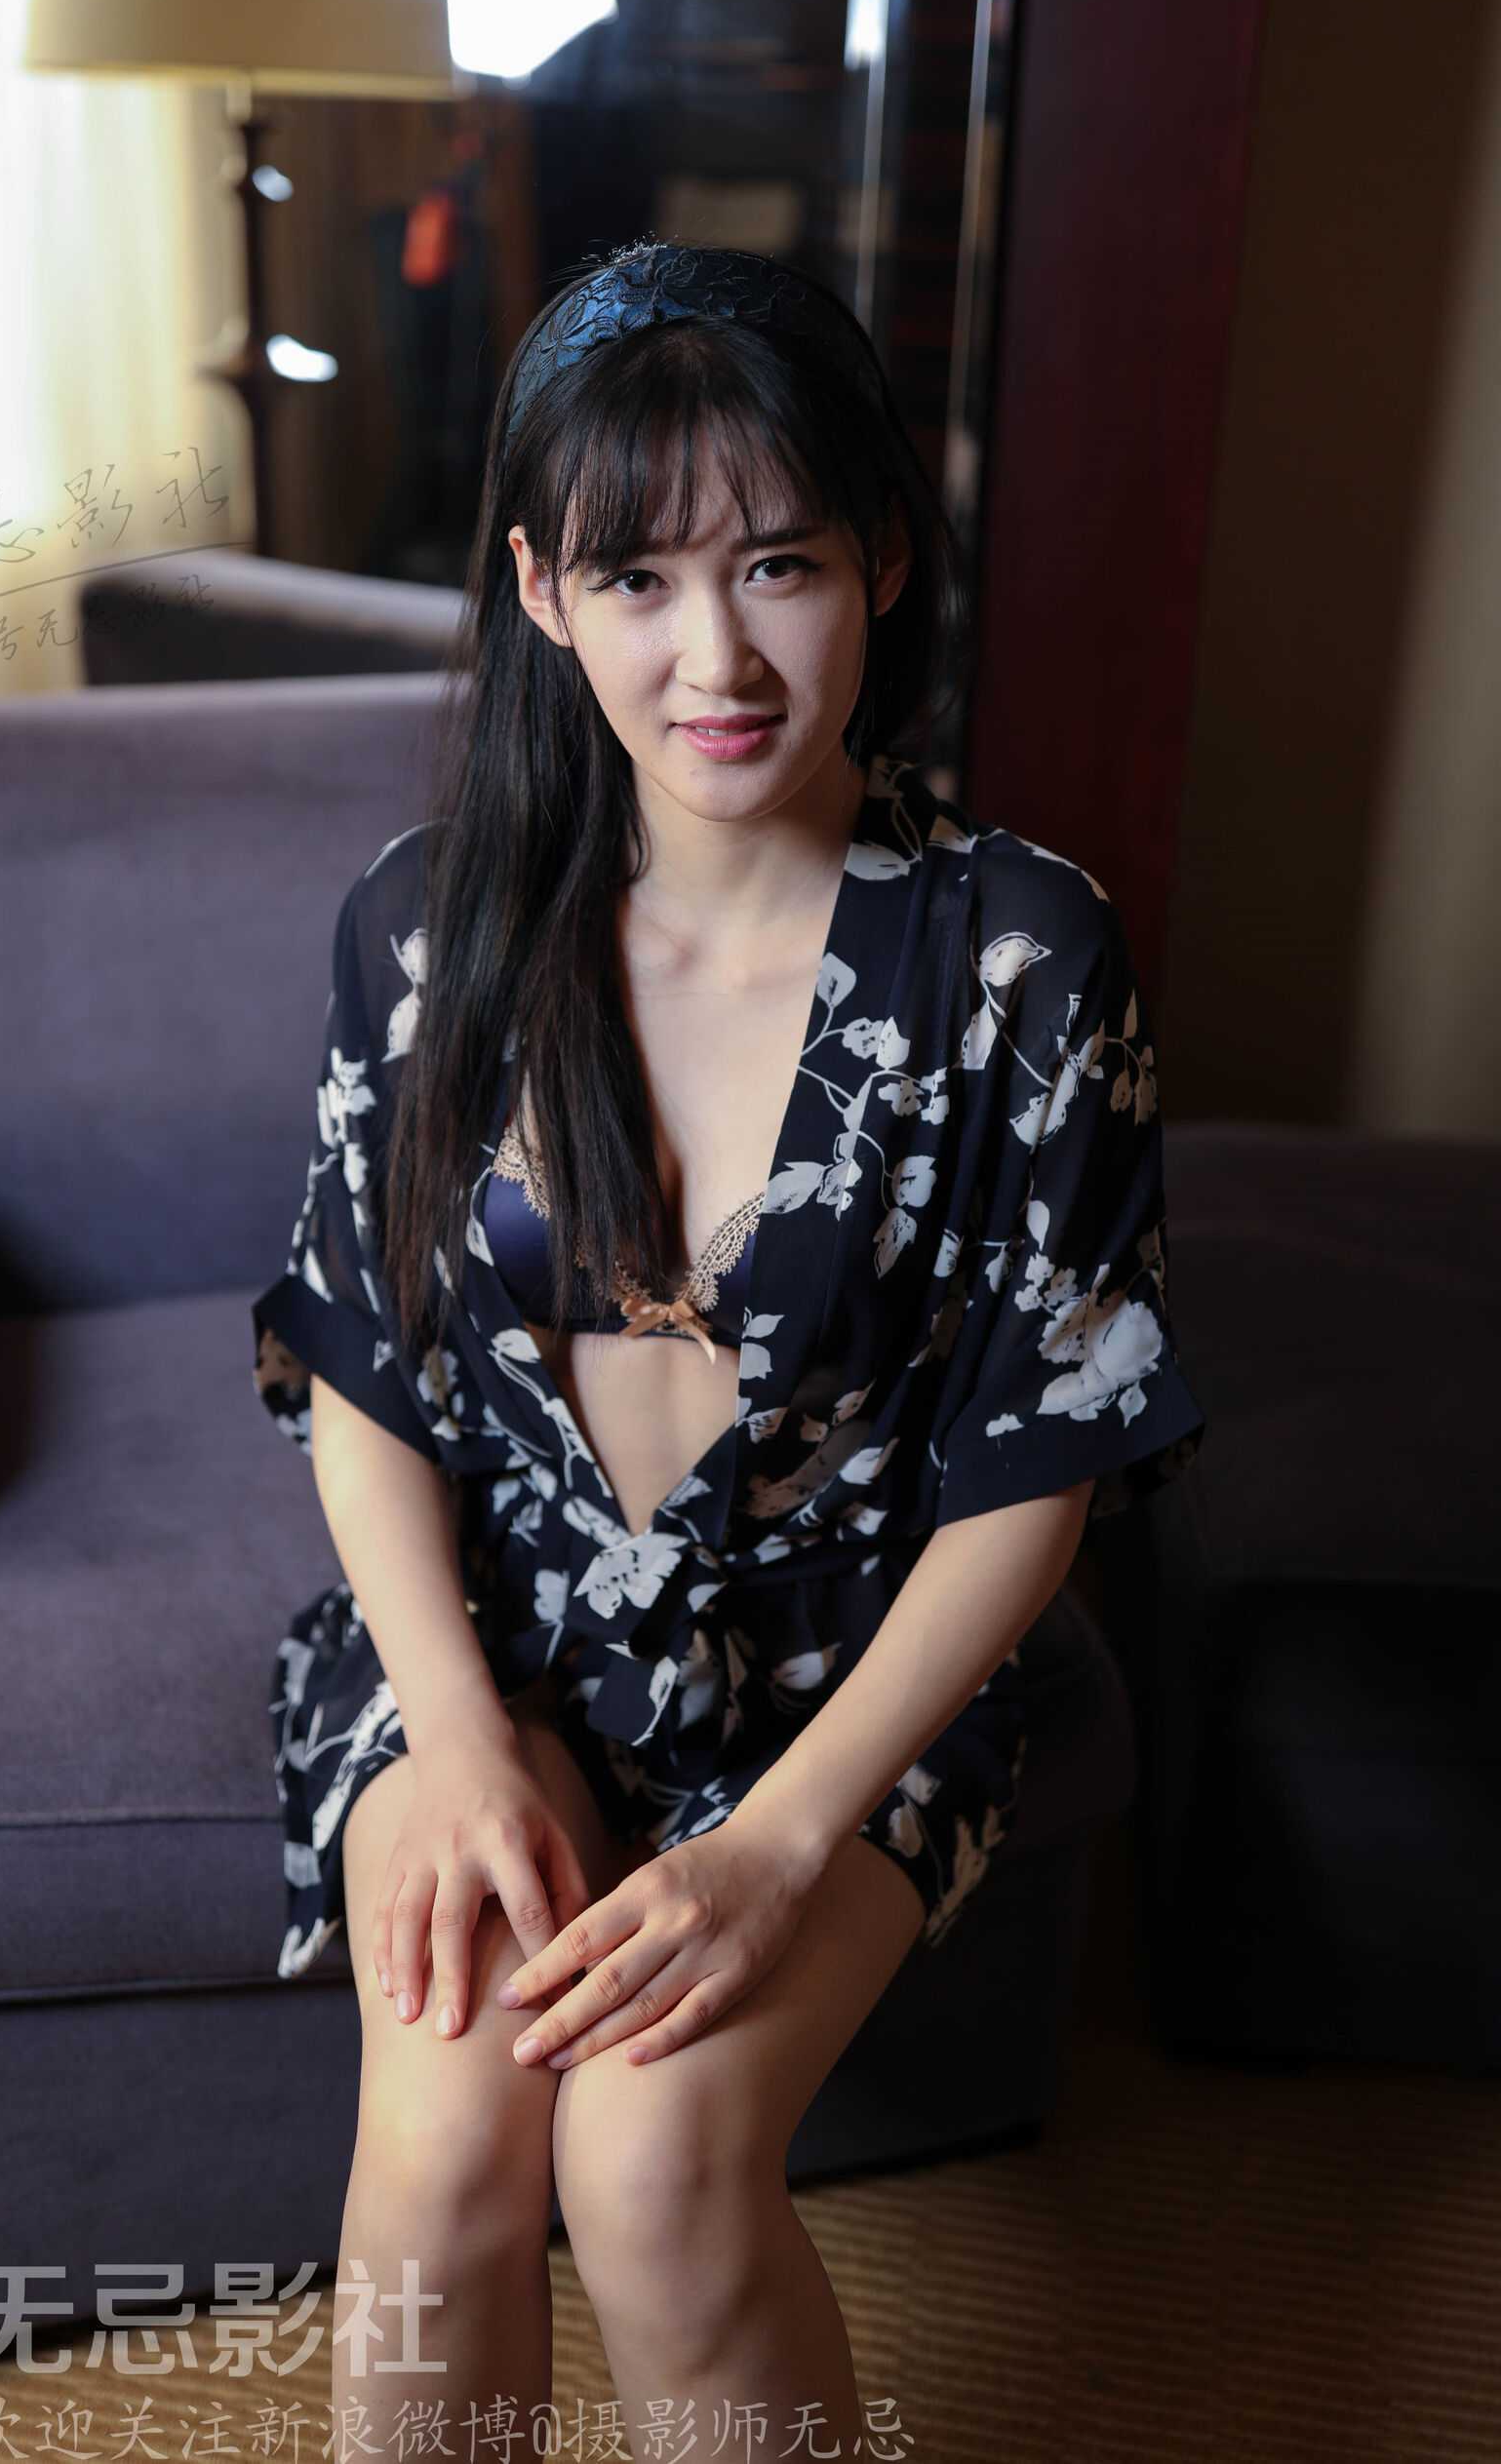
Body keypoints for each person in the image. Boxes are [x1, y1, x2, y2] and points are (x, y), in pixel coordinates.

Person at [251, 239, 1207, 2430]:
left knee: (657, 2164)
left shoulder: (1021, 957)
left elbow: (1040, 1460)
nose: (719, 659)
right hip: (489, 1648)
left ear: (883, 558)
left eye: (779, 564)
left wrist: (779, 1843)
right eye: (639, 579)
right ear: (540, 590)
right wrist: (457, 1738)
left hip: (844, 1691)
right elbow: (363, 1377)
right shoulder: (429, 930)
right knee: (445, 2148)